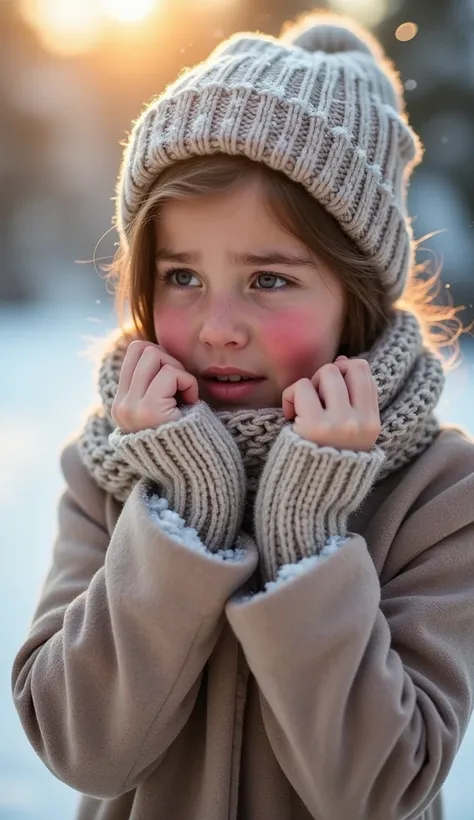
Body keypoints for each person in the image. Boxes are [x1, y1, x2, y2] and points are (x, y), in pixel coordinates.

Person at [11, 10, 474, 820]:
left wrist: (308, 535)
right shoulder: (112, 467)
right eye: (182, 276)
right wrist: (181, 510)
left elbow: (378, 789)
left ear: (354, 297)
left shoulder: (439, 491)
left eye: (268, 279)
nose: (217, 325)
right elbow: (81, 746)